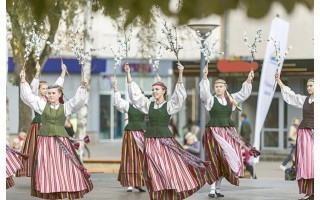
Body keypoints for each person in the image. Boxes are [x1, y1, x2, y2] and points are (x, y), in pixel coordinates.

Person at [126, 63, 213, 200]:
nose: (154, 91)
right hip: (150, 141)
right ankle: (157, 194)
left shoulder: (168, 106)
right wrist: (128, 74)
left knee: (167, 167)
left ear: (163, 91)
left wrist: (180, 73)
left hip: (165, 140)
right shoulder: (149, 105)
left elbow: (179, 97)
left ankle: (171, 190)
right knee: (152, 168)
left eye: (157, 89)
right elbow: (136, 96)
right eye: (153, 89)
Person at [20, 69, 93, 199]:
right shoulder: (42, 105)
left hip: (60, 140)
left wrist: (82, 86)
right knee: (46, 166)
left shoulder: (65, 107)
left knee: (64, 165)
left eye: (53, 93)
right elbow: (28, 97)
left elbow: (78, 101)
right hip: (45, 141)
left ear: (59, 94)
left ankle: (65, 188)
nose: (51, 95)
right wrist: (23, 81)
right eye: (49, 93)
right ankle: (49, 190)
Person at [200, 65, 260, 198]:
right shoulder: (211, 100)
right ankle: (211, 188)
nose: (218, 88)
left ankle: (218, 188)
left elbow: (243, 94)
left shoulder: (231, 99)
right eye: (216, 87)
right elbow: (204, 94)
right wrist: (205, 77)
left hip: (228, 133)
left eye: (221, 86)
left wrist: (248, 81)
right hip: (213, 132)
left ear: (225, 87)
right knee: (214, 159)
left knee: (225, 159)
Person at [16, 62, 66, 177]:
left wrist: (63, 72)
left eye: (46, 89)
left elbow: (57, 86)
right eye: (43, 89)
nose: (45, 91)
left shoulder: (50, 99)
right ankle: (37, 173)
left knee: (51, 150)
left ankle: (50, 172)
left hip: (50, 127)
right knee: (36, 150)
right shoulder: (36, 100)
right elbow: (29, 91)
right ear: (38, 90)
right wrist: (25, 78)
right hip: (38, 127)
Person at [275, 72, 314, 200]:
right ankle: (309, 193)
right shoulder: (305, 100)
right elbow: (291, 96)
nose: (308, 88)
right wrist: (279, 81)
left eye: (311, 85)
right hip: (304, 134)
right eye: (308, 86)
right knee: (306, 163)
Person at [112, 76, 146, 193]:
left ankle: (140, 182)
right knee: (130, 157)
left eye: (140, 93)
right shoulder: (129, 106)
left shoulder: (145, 106)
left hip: (142, 133)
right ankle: (130, 183)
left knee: (142, 158)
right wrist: (115, 87)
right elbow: (118, 102)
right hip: (130, 133)